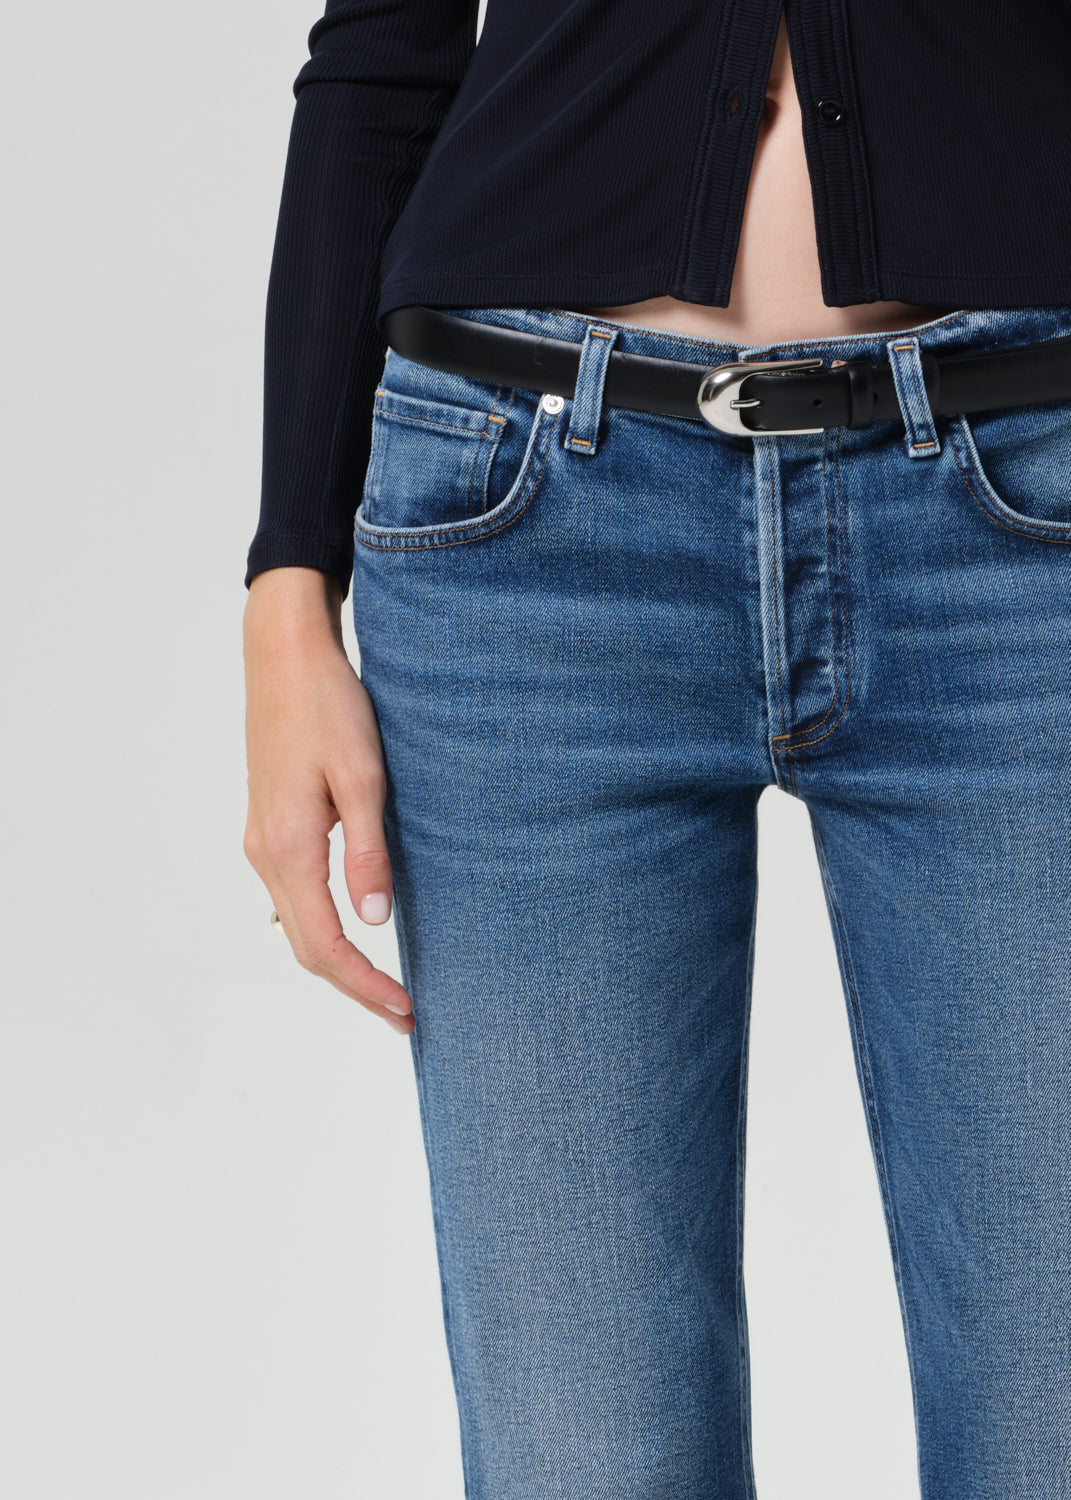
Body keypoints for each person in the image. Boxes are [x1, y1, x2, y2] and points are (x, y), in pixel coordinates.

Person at [242, 2, 1071, 1494]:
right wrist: (287, 583)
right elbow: (382, 52)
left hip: (1024, 516)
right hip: (527, 520)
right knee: (584, 1456)